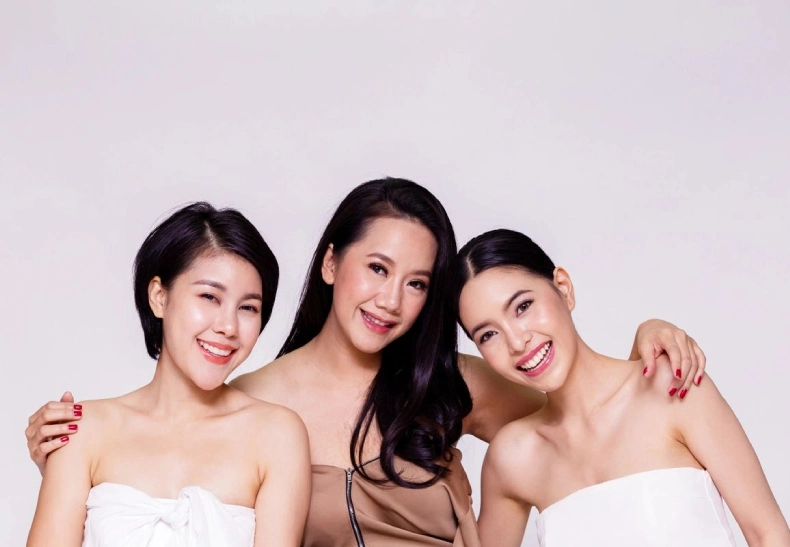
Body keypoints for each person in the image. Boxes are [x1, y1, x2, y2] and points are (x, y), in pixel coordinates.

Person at [26, 179, 706, 547]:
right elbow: (163, 467)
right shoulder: (254, 408)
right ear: (329, 263)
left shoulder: (452, 383)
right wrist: (69, 451)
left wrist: (646, 337)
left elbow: (593, 417)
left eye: (417, 283)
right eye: (376, 268)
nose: (391, 299)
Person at [453, 228, 790, 547]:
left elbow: (768, 534)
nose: (517, 341)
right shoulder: (514, 457)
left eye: (523, 307)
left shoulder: (670, 387)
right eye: (488, 335)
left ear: (563, 287)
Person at [26, 202, 311, 547]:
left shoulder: (277, 435)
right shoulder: (84, 429)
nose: (228, 326)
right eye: (209, 296)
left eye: (248, 307)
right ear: (159, 297)